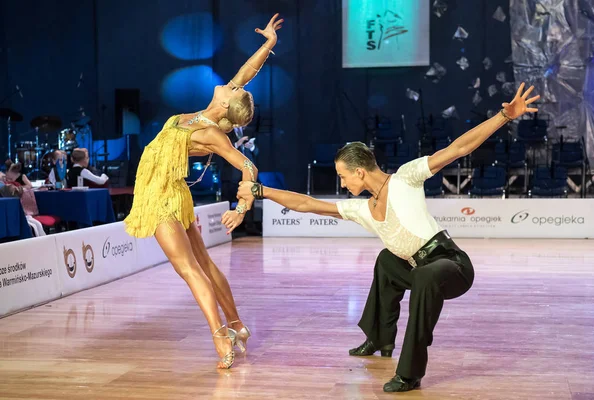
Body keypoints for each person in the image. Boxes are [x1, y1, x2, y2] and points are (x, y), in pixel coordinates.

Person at [238, 83, 539, 391]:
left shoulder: (406, 177)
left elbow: (458, 149)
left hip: (451, 266)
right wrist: (262, 191)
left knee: (424, 277)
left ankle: (409, 374)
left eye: (342, 176)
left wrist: (504, 115)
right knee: (386, 261)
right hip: (419, 269)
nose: (341, 183)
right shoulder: (363, 208)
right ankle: (379, 339)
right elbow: (307, 203)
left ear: (359, 172)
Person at [123, 13, 284, 369]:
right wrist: (269, 43)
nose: (231, 83)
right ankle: (238, 325)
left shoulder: (213, 133)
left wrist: (243, 207)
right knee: (204, 266)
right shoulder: (206, 114)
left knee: (190, 270)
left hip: (164, 199)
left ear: (226, 103)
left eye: (232, 89)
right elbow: (246, 74)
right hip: (168, 194)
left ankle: (220, 335)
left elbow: (248, 166)